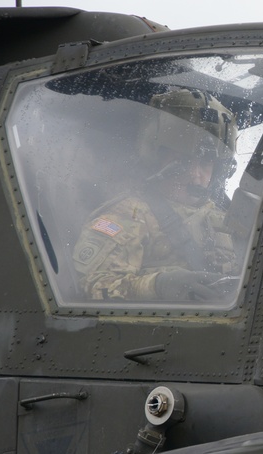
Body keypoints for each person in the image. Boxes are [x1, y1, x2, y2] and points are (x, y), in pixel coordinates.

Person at [72, 89, 241, 303]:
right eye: (184, 162)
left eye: (206, 163)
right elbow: (93, 284)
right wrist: (157, 286)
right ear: (157, 159)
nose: (195, 174)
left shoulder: (226, 217)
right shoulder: (128, 215)